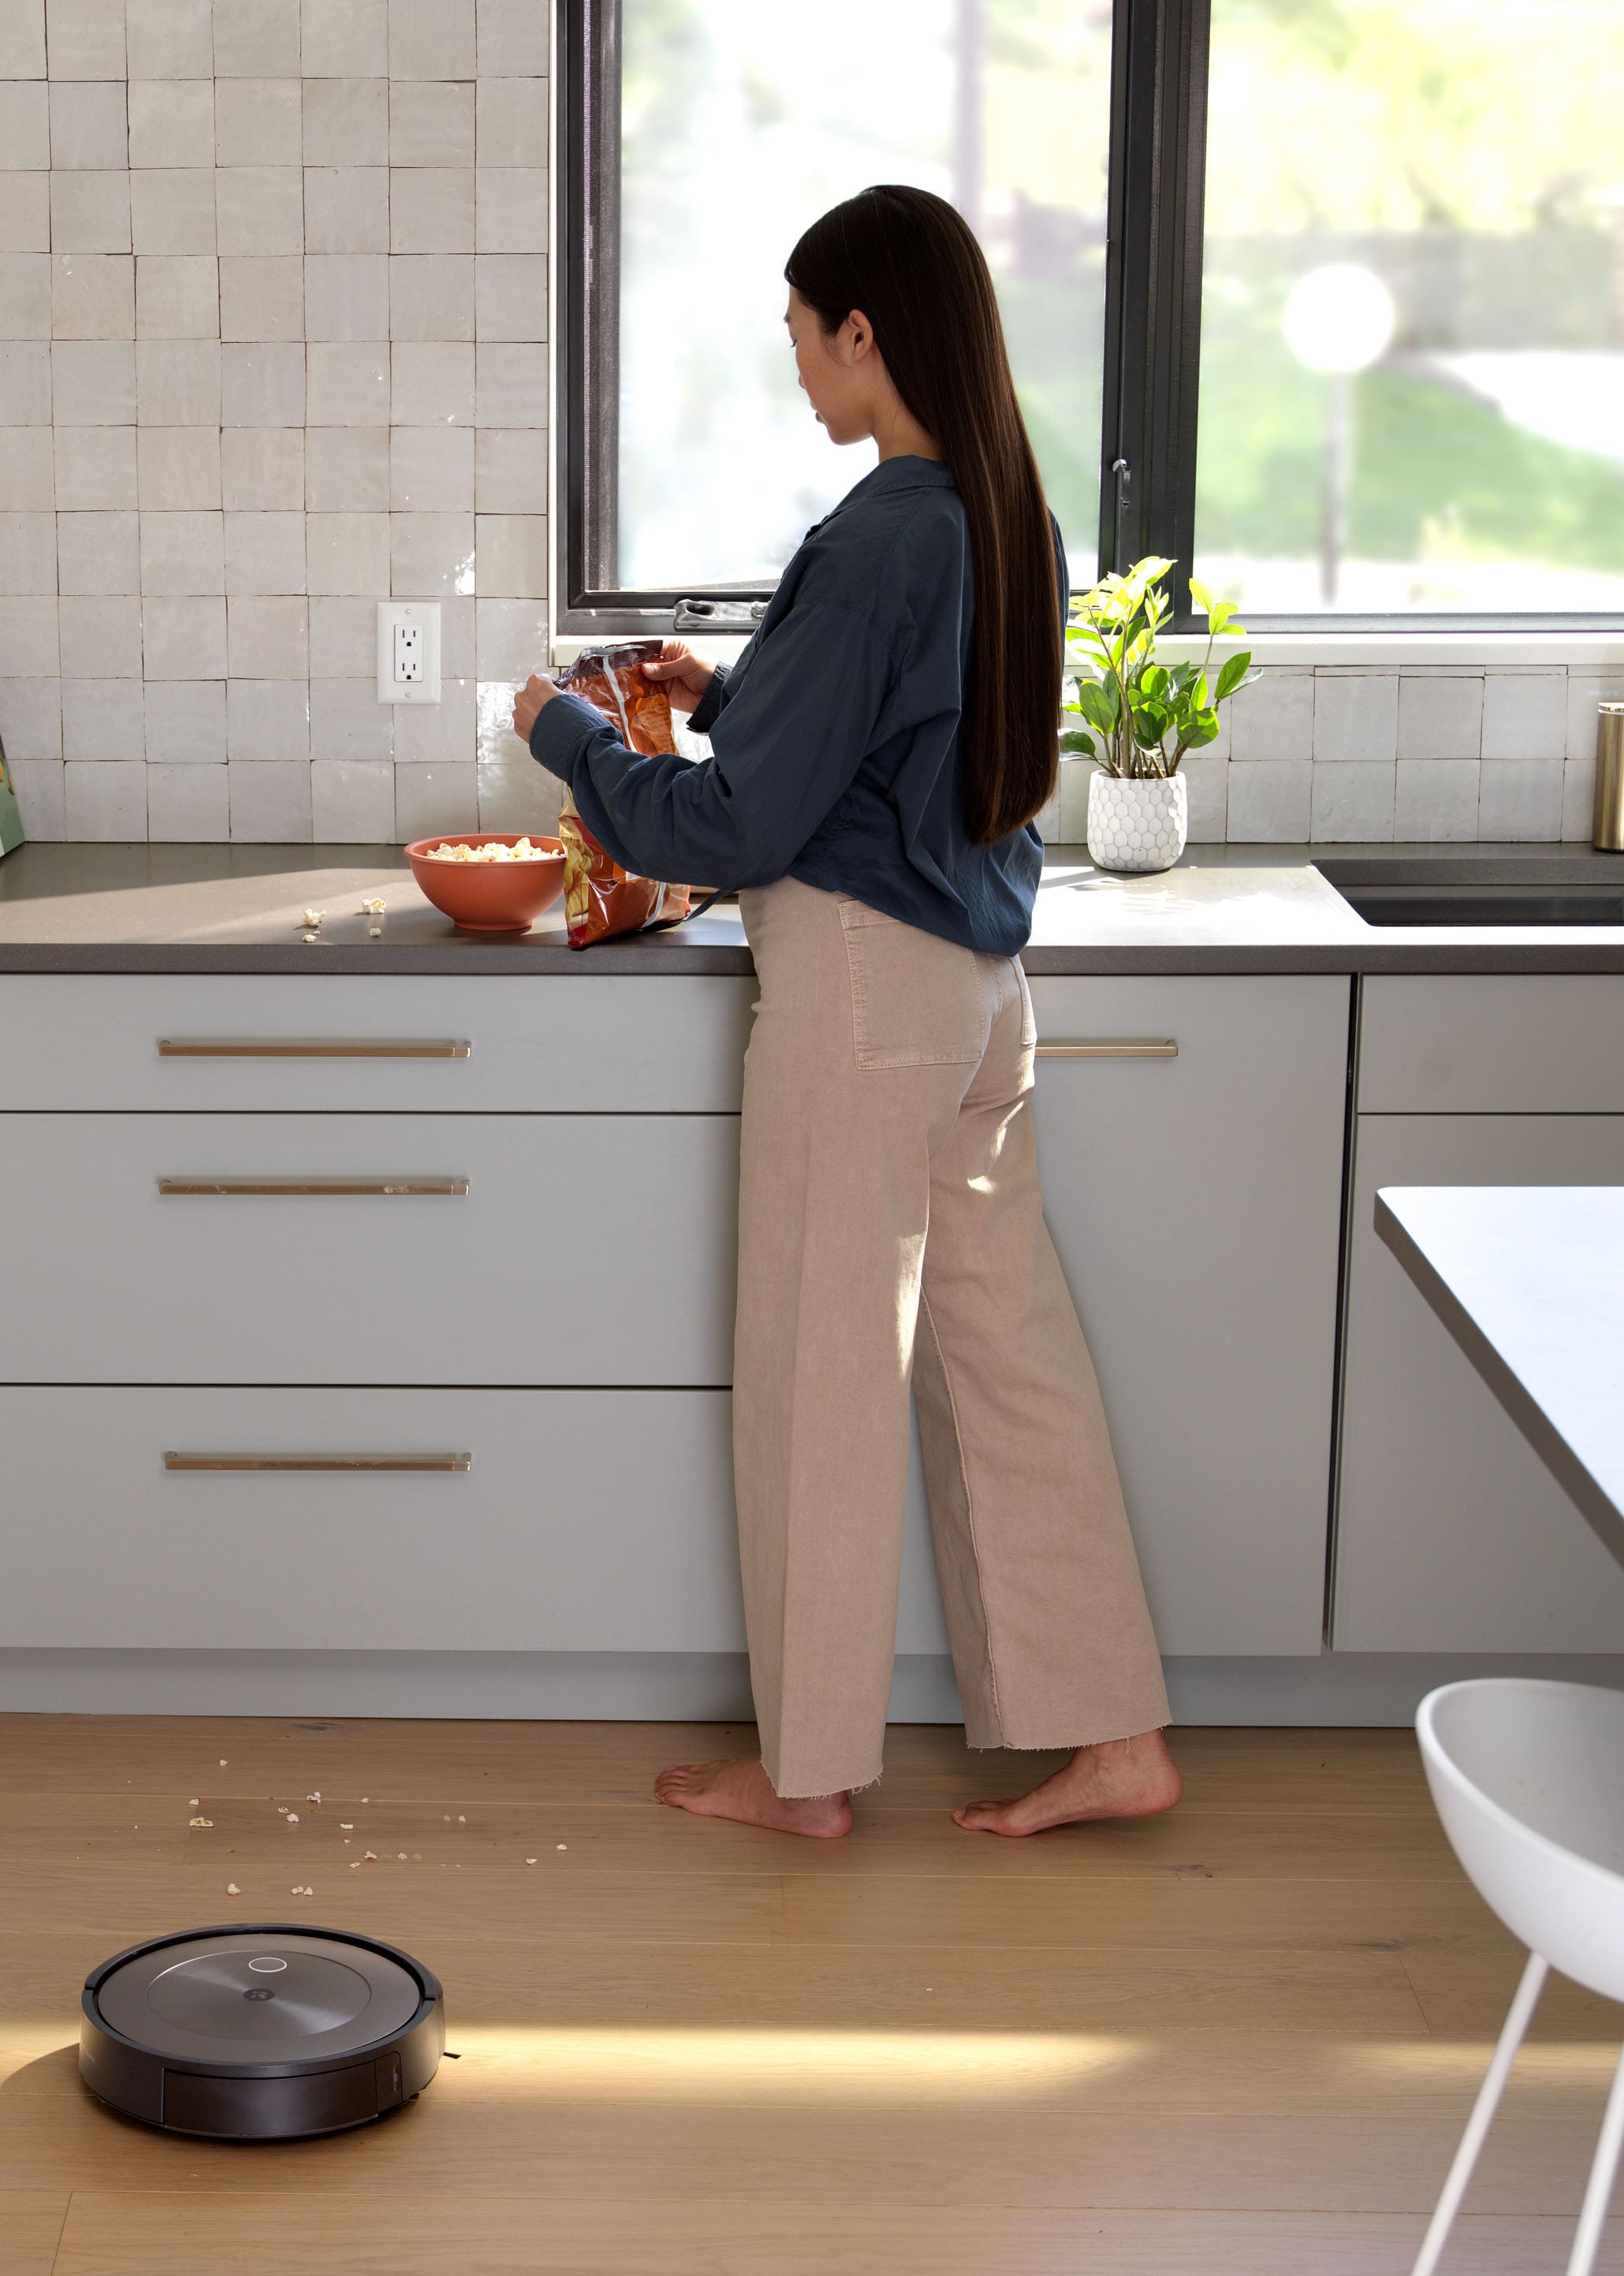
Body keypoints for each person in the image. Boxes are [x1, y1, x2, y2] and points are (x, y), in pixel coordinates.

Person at [512, 184, 1179, 1841]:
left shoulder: (879, 530)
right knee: (1003, 1364)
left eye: (806, 339)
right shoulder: (1000, 513)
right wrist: (721, 692)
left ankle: (807, 1774)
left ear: (864, 331)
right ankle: (1114, 1739)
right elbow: (887, 740)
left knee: (822, 1376)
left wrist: (572, 735)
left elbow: (730, 832)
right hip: (977, 999)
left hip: (864, 994)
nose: (801, 374)